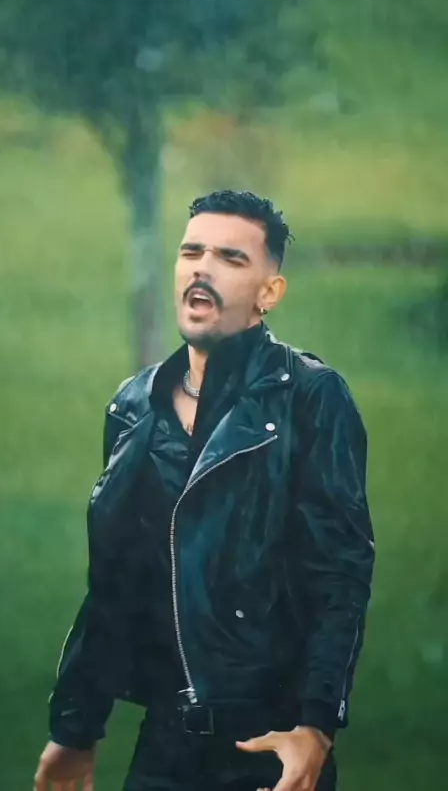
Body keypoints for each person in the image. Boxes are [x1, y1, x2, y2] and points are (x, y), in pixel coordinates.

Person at [34, 190, 374, 791]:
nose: (202, 269)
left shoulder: (310, 397)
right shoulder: (135, 407)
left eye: (230, 258)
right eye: (191, 252)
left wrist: (316, 727)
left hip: (268, 748)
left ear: (269, 293)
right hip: (163, 750)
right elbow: (114, 585)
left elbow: (341, 573)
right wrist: (75, 729)